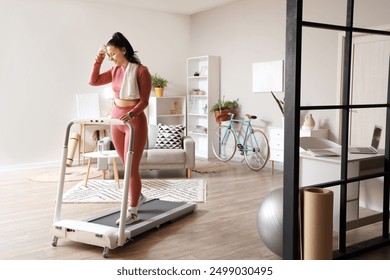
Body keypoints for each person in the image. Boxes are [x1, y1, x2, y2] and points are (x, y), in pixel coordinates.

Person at [89, 32, 151, 225]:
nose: (111, 58)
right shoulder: (115, 71)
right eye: (108, 55)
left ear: (123, 50)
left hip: (134, 122)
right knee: (127, 167)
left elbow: (144, 101)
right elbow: (94, 81)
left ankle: (133, 211)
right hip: (116, 122)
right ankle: (138, 197)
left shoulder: (141, 71)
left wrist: (132, 113)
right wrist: (97, 61)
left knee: (132, 168)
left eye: (113, 54)